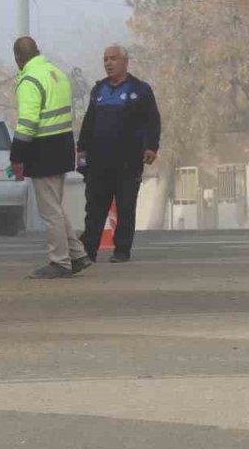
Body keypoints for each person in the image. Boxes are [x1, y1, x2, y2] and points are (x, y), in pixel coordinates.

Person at [10, 37, 92, 279]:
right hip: (63, 145)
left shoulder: (29, 80)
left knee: (50, 212)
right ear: (38, 51)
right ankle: (77, 255)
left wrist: (17, 156)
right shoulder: (56, 73)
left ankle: (60, 262)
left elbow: (27, 123)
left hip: (42, 149)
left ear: (18, 58)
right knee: (56, 206)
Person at [77, 45, 161, 263]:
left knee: (125, 207)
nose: (108, 63)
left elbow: (153, 120)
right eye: (105, 59)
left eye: (113, 59)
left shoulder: (140, 90)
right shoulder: (98, 91)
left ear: (125, 61)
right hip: (99, 161)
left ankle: (122, 250)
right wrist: (81, 151)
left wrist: (152, 146)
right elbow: (88, 123)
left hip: (128, 160)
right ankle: (89, 251)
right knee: (94, 208)